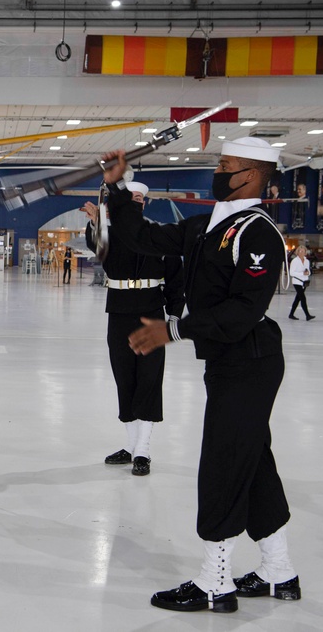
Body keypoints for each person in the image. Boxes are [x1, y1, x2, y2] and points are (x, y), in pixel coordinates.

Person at [101, 137, 300, 614]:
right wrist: (120, 187)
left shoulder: (258, 233)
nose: (217, 170)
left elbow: (241, 312)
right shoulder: (209, 226)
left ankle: (216, 581)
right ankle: (280, 570)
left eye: (225, 164)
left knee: (223, 466)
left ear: (250, 175)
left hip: (250, 362)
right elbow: (141, 237)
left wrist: (174, 328)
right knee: (253, 463)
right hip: (228, 362)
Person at [82, 182, 184, 476]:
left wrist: (174, 317)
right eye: (131, 199)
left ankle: (144, 451)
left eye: (140, 198)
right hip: (119, 314)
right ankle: (131, 446)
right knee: (124, 378)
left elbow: (177, 280)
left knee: (149, 380)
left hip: (152, 314)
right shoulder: (111, 234)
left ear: (145, 203)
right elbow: (97, 246)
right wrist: (96, 223)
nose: (136, 202)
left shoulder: (160, 235)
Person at [288, 245, 315, 321]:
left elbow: (308, 271)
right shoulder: (295, 261)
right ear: (297, 252)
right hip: (297, 282)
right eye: (300, 251)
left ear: (306, 252)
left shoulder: (307, 261)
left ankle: (291, 314)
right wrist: (302, 274)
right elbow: (291, 273)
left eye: (303, 251)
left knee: (298, 298)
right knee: (302, 298)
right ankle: (307, 315)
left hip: (304, 282)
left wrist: (307, 273)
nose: (302, 253)